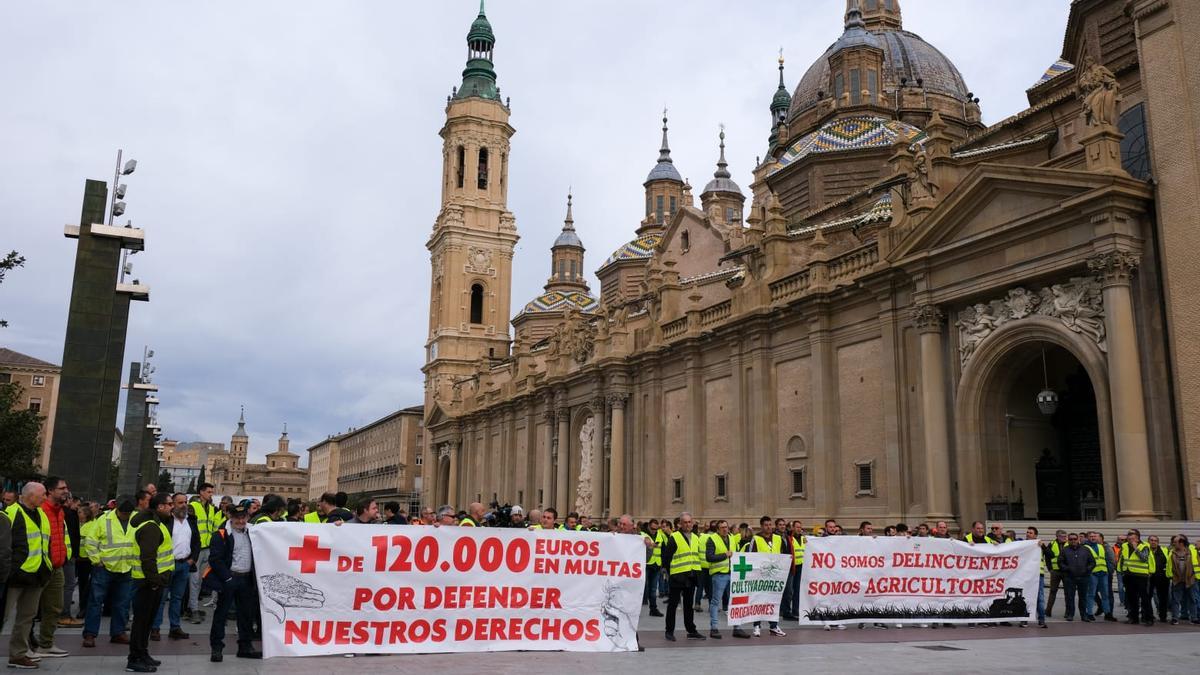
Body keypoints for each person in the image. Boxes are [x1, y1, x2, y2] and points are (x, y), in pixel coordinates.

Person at [205, 504, 261, 662]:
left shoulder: (254, 532)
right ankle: (216, 648)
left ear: (247, 517)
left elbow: (278, 531)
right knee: (221, 615)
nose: (241, 520)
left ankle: (245, 646)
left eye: (243, 517)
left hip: (246, 579)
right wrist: (227, 578)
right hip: (229, 579)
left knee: (246, 615)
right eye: (237, 517)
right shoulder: (220, 534)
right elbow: (215, 560)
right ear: (231, 517)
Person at [127, 492, 174, 673]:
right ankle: (134, 658)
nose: (172, 507)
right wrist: (155, 581)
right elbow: (147, 558)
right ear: (160, 507)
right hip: (148, 583)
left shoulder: (157, 524)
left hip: (154, 581)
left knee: (147, 621)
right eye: (169, 504)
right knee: (141, 621)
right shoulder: (150, 527)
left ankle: (143, 652)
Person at [6, 482, 50, 670]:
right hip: (14, 576)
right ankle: (18, 654)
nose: (45, 498)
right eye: (42, 495)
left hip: (36, 575)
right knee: (4, 615)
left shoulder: (41, 514)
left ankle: (18, 655)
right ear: (30, 495)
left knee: (26, 617)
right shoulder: (12, 513)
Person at [82, 499, 135, 648]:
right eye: (123, 513)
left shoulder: (135, 520)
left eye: (128, 513)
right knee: (95, 602)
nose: (125, 516)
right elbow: (90, 541)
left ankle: (118, 632)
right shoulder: (104, 520)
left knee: (123, 603)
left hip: (126, 567)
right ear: (117, 509)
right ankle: (90, 634)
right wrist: (96, 560)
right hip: (104, 568)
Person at [30, 476, 72, 660]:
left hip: (57, 566)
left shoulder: (59, 510)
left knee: (55, 607)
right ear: (50, 491)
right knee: (30, 610)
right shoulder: (41, 510)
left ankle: (46, 644)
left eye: (66, 487)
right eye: (62, 488)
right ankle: (27, 645)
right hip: (41, 567)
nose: (65, 491)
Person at [152, 494, 197, 642]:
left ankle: (175, 627)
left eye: (185, 502)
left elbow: (197, 541)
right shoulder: (166, 521)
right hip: (167, 565)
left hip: (184, 564)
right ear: (173, 505)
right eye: (179, 502)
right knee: (161, 598)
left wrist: (192, 560)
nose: (183, 505)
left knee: (177, 598)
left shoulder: (191, 520)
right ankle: (155, 628)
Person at [659, 512, 705, 642]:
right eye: (685, 522)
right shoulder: (675, 537)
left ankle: (691, 630)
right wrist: (671, 572)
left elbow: (697, 556)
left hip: (691, 576)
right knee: (672, 605)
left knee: (688, 606)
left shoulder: (696, 537)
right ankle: (669, 631)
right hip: (677, 576)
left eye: (690, 522)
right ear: (680, 523)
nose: (688, 524)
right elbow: (667, 558)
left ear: (693, 522)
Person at [746, 516, 786, 637]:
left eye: (770, 524)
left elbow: (784, 555)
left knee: (773, 601)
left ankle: (773, 626)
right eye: (766, 525)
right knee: (758, 600)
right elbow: (750, 556)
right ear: (762, 526)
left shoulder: (778, 538)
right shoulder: (756, 539)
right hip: (760, 575)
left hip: (775, 575)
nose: (769, 527)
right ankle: (757, 626)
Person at [187, 483, 217, 627]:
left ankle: (192, 607)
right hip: (197, 549)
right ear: (201, 492)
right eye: (209, 492)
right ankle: (193, 609)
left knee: (198, 580)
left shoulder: (211, 509)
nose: (211, 494)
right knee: (194, 580)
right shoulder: (193, 506)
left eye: (212, 492)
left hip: (207, 548)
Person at [704, 520, 736, 639]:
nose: (725, 529)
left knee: (734, 602)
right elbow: (709, 557)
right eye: (722, 527)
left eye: (726, 527)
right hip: (719, 575)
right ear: (717, 529)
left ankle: (737, 627)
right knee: (715, 602)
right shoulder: (712, 539)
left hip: (732, 573)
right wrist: (725, 555)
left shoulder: (732, 538)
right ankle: (714, 628)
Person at [1118, 528, 1155, 626]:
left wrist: (1136, 548)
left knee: (1144, 598)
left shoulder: (1144, 546)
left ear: (1138, 539)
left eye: (1133, 539)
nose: (1130, 541)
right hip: (1128, 575)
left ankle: (1149, 619)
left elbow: (1144, 559)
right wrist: (1122, 571)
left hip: (1141, 575)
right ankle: (1133, 618)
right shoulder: (1124, 546)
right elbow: (1122, 558)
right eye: (1129, 539)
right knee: (1131, 598)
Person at [1058, 532, 1095, 622]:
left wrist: (1087, 570)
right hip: (1069, 577)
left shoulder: (1085, 549)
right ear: (1068, 540)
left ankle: (1083, 615)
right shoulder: (1064, 550)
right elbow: (1060, 562)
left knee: (1083, 597)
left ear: (1078, 539)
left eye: (1075, 539)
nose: (1073, 541)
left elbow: (1092, 562)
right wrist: (1067, 569)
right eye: (1071, 539)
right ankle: (1070, 614)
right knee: (1070, 597)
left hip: (1083, 577)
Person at [58, 494, 82, 628]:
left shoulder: (56, 512)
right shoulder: (71, 514)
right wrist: (75, 554)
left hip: (58, 554)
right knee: (68, 585)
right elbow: (74, 536)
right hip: (68, 554)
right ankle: (64, 615)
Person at [1167, 535, 1199, 625]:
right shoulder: (1172, 552)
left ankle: (1194, 618)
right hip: (1177, 579)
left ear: (1181, 543)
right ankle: (1175, 618)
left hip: (1191, 578)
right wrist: (1171, 576)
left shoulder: (1192, 551)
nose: (1173, 543)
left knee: (1192, 599)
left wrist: (1196, 576)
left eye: (1175, 542)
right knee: (1176, 599)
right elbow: (1169, 565)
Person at [1086, 531, 1116, 621]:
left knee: (1105, 594)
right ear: (1088, 537)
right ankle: (1089, 613)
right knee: (1091, 594)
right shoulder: (1085, 547)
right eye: (1091, 536)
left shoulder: (1101, 547)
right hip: (1092, 574)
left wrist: (1108, 571)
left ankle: (1107, 613)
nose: (1093, 538)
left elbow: (1106, 559)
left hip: (1103, 573)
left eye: (1094, 536)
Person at [1027, 527, 1048, 628]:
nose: (1028, 534)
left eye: (1030, 533)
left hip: (1038, 574)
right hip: (1026, 575)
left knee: (1040, 598)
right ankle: (1024, 619)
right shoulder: (1023, 544)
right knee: (1025, 596)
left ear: (1035, 535)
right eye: (1027, 532)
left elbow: (1050, 555)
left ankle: (1042, 619)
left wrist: (1043, 546)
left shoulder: (1040, 545)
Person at [1045, 530, 1068, 617]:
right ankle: (1048, 611)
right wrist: (1050, 568)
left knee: (1067, 592)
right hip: (1055, 571)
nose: (1064, 538)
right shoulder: (1052, 544)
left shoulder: (1068, 544)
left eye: (1065, 536)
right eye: (1062, 536)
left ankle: (1067, 612)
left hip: (1066, 572)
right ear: (1057, 536)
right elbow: (1047, 556)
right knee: (1053, 591)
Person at [1148, 535, 1170, 623]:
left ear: (1158, 542)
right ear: (1148, 541)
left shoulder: (1164, 550)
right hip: (1149, 577)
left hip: (1162, 577)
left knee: (1163, 598)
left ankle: (1163, 616)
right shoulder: (1145, 550)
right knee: (1147, 597)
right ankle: (1148, 615)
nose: (1153, 542)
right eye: (1151, 540)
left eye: (1155, 540)